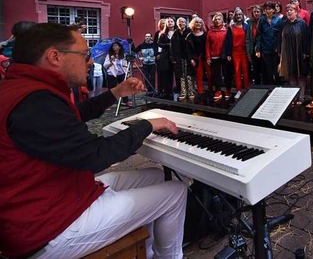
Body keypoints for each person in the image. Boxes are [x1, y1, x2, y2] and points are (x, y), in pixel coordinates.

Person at [0, 23, 186, 258]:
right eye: (84, 54)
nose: (90, 62)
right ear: (55, 57)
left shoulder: (25, 89)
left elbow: (74, 115)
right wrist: (147, 125)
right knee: (176, 191)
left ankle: (144, 252)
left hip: (62, 193)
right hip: (48, 229)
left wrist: (116, 92)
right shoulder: (35, 102)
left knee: (156, 174)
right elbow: (96, 155)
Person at [278, 4, 309, 102]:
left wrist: (305, 52)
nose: (289, 12)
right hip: (288, 52)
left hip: (300, 53)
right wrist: (279, 51)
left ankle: (301, 96)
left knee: (301, 75)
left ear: (296, 12)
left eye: (291, 10)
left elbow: (306, 38)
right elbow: (280, 38)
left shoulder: (302, 23)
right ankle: (294, 96)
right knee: (291, 74)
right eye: (287, 10)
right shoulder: (283, 24)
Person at [255, 1, 283, 85]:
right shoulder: (262, 20)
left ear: (274, 10)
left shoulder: (278, 20)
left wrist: (279, 48)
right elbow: (259, 35)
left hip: (275, 49)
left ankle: (278, 88)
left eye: (270, 9)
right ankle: (270, 90)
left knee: (277, 71)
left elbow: (280, 35)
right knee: (268, 71)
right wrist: (258, 49)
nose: (268, 11)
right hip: (265, 49)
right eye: (266, 9)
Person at [206, 12, 232, 100]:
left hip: (225, 56)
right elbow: (207, 46)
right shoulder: (210, 32)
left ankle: (228, 90)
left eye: (219, 19)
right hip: (215, 56)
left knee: (226, 73)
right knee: (216, 75)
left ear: (222, 20)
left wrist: (229, 54)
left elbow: (229, 43)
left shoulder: (226, 30)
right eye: (216, 19)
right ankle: (218, 91)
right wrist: (208, 57)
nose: (217, 21)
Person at [224, 8, 251, 93]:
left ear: (243, 15)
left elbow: (249, 40)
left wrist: (249, 51)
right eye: (237, 15)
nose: (239, 16)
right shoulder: (231, 28)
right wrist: (228, 53)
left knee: (246, 70)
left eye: (240, 14)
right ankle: (238, 90)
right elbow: (228, 41)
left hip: (244, 51)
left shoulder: (246, 26)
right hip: (235, 52)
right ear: (235, 16)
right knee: (237, 71)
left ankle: (247, 89)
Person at [186, 17, 208, 101]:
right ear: (193, 24)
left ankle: (210, 90)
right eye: (196, 22)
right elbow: (188, 49)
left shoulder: (206, 34)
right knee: (199, 75)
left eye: (200, 22)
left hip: (205, 56)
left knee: (209, 73)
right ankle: (200, 91)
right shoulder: (190, 36)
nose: (198, 24)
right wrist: (191, 59)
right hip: (196, 57)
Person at [171, 17, 190, 101]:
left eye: (182, 22)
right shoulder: (175, 33)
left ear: (185, 23)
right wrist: (173, 58)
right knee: (181, 76)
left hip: (188, 57)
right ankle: (183, 92)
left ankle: (190, 91)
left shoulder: (189, 31)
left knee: (189, 75)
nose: (181, 23)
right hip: (179, 58)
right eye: (179, 22)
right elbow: (172, 47)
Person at [156, 17, 175, 99]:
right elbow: (159, 44)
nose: (170, 23)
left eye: (171, 21)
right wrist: (168, 45)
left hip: (175, 56)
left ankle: (174, 90)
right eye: (168, 22)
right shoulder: (163, 34)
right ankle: (167, 91)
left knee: (175, 74)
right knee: (166, 74)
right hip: (165, 56)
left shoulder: (177, 32)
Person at [246, 5, 263, 85]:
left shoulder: (263, 21)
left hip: (263, 49)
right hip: (253, 49)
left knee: (264, 71)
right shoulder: (250, 23)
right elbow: (248, 38)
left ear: (261, 12)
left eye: (258, 12)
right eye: (254, 12)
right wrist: (249, 51)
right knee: (256, 71)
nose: (256, 13)